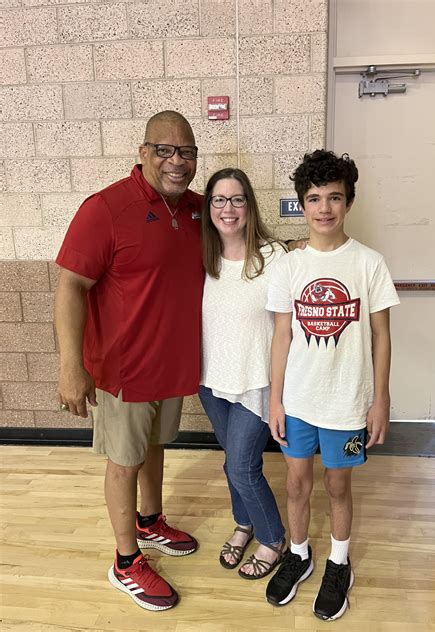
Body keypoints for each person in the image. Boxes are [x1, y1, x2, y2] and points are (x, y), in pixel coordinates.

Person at [54, 111, 204, 612]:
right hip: (122, 369)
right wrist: (70, 367)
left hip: (170, 365)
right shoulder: (106, 208)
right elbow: (71, 286)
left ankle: (149, 519)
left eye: (186, 151)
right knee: (124, 461)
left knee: (154, 447)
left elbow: (245, 242)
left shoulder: (198, 210)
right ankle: (125, 561)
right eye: (164, 149)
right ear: (143, 153)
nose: (176, 161)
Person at [265, 150, 399, 621]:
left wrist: (380, 399)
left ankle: (339, 564)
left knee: (337, 487)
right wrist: (275, 399)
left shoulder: (369, 263)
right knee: (296, 483)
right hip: (298, 400)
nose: (324, 208)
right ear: (302, 204)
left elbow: (381, 335)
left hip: (347, 401)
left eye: (334, 198)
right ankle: (298, 554)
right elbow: (282, 334)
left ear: (349, 202)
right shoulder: (287, 267)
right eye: (314, 198)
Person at [199, 168, 288, 580]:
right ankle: (243, 523)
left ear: (249, 206)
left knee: (242, 467)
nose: (228, 208)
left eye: (237, 199)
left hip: (256, 383)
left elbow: (287, 330)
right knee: (230, 462)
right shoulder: (200, 259)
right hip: (212, 382)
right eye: (219, 200)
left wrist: (280, 393)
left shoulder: (273, 257)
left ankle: (272, 538)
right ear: (209, 207)